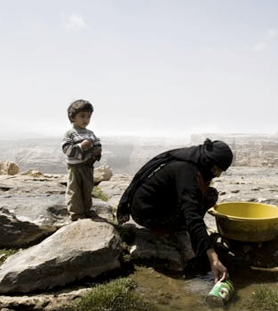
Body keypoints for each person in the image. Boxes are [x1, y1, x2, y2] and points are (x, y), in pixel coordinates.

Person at [117, 138, 233, 282]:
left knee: (210, 194)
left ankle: (193, 235)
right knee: (193, 210)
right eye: (217, 169)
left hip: (160, 204)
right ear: (209, 162)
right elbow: (192, 214)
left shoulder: (195, 160)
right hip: (146, 214)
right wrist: (213, 257)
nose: (218, 175)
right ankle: (177, 234)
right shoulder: (186, 170)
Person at [62, 99, 102, 221]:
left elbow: (97, 143)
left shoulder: (90, 133)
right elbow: (66, 148)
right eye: (82, 116)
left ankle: (87, 209)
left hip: (88, 166)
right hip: (75, 167)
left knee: (87, 188)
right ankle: (76, 213)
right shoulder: (71, 133)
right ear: (73, 117)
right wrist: (80, 146)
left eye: (88, 117)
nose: (86, 120)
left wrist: (97, 151)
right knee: (75, 189)